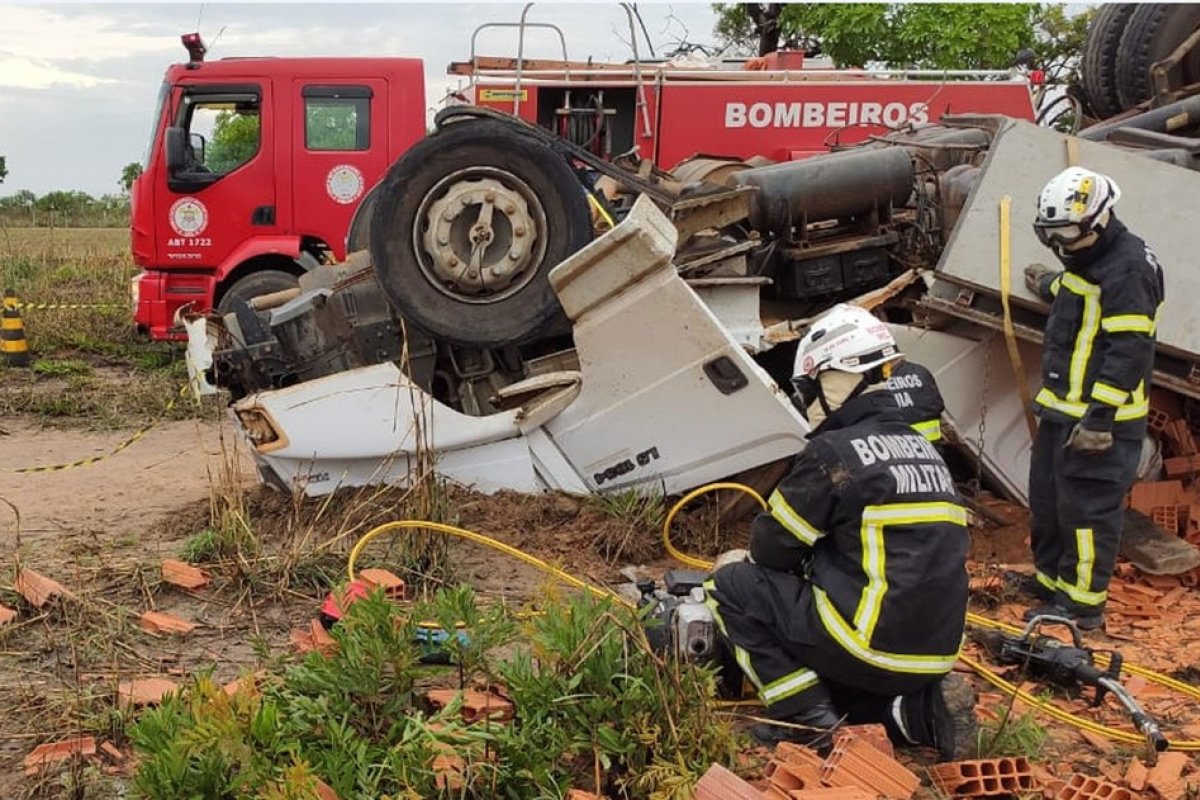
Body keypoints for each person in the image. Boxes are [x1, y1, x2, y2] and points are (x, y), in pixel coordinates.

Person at [704, 304, 976, 760]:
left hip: (868, 644)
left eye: (807, 388)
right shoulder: (928, 454)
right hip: (935, 654)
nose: (806, 400)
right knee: (842, 669)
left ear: (838, 378)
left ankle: (804, 720)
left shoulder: (835, 452)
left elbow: (770, 550)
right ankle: (919, 710)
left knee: (730, 585)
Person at [1021, 167, 1165, 631]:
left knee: (1086, 513)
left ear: (1100, 220)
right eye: (1051, 236)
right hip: (1064, 409)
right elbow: (1078, 291)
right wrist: (1049, 284)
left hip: (1102, 420)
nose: (1059, 247)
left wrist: (1100, 420)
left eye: (1065, 236)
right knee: (1047, 502)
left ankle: (1081, 606)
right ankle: (1050, 583)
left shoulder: (1128, 270)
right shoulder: (1088, 257)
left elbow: (1129, 352)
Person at [887, 358, 946, 443]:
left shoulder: (882, 381)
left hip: (904, 445)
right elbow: (938, 404)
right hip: (933, 441)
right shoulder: (920, 371)